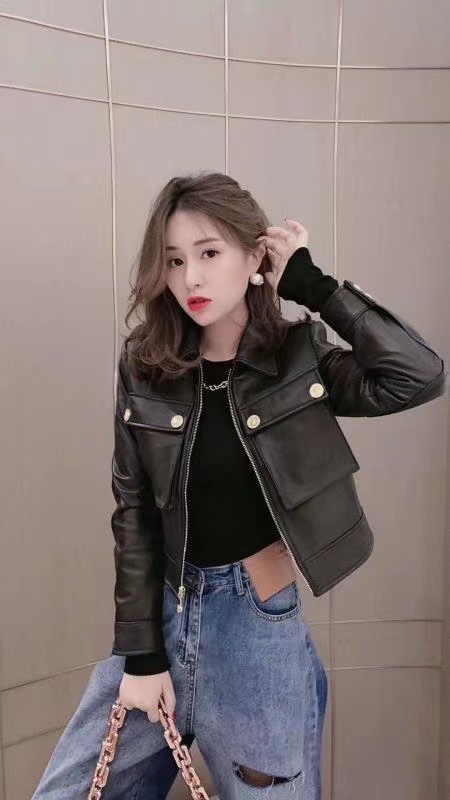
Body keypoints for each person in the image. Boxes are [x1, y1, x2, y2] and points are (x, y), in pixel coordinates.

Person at [32, 171, 447, 800]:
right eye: (175, 261)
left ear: (255, 258)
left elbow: (417, 375)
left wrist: (313, 285)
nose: (190, 279)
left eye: (209, 253)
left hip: (257, 628)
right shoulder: (145, 363)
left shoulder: (300, 357)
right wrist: (141, 655)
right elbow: (134, 509)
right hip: (163, 614)